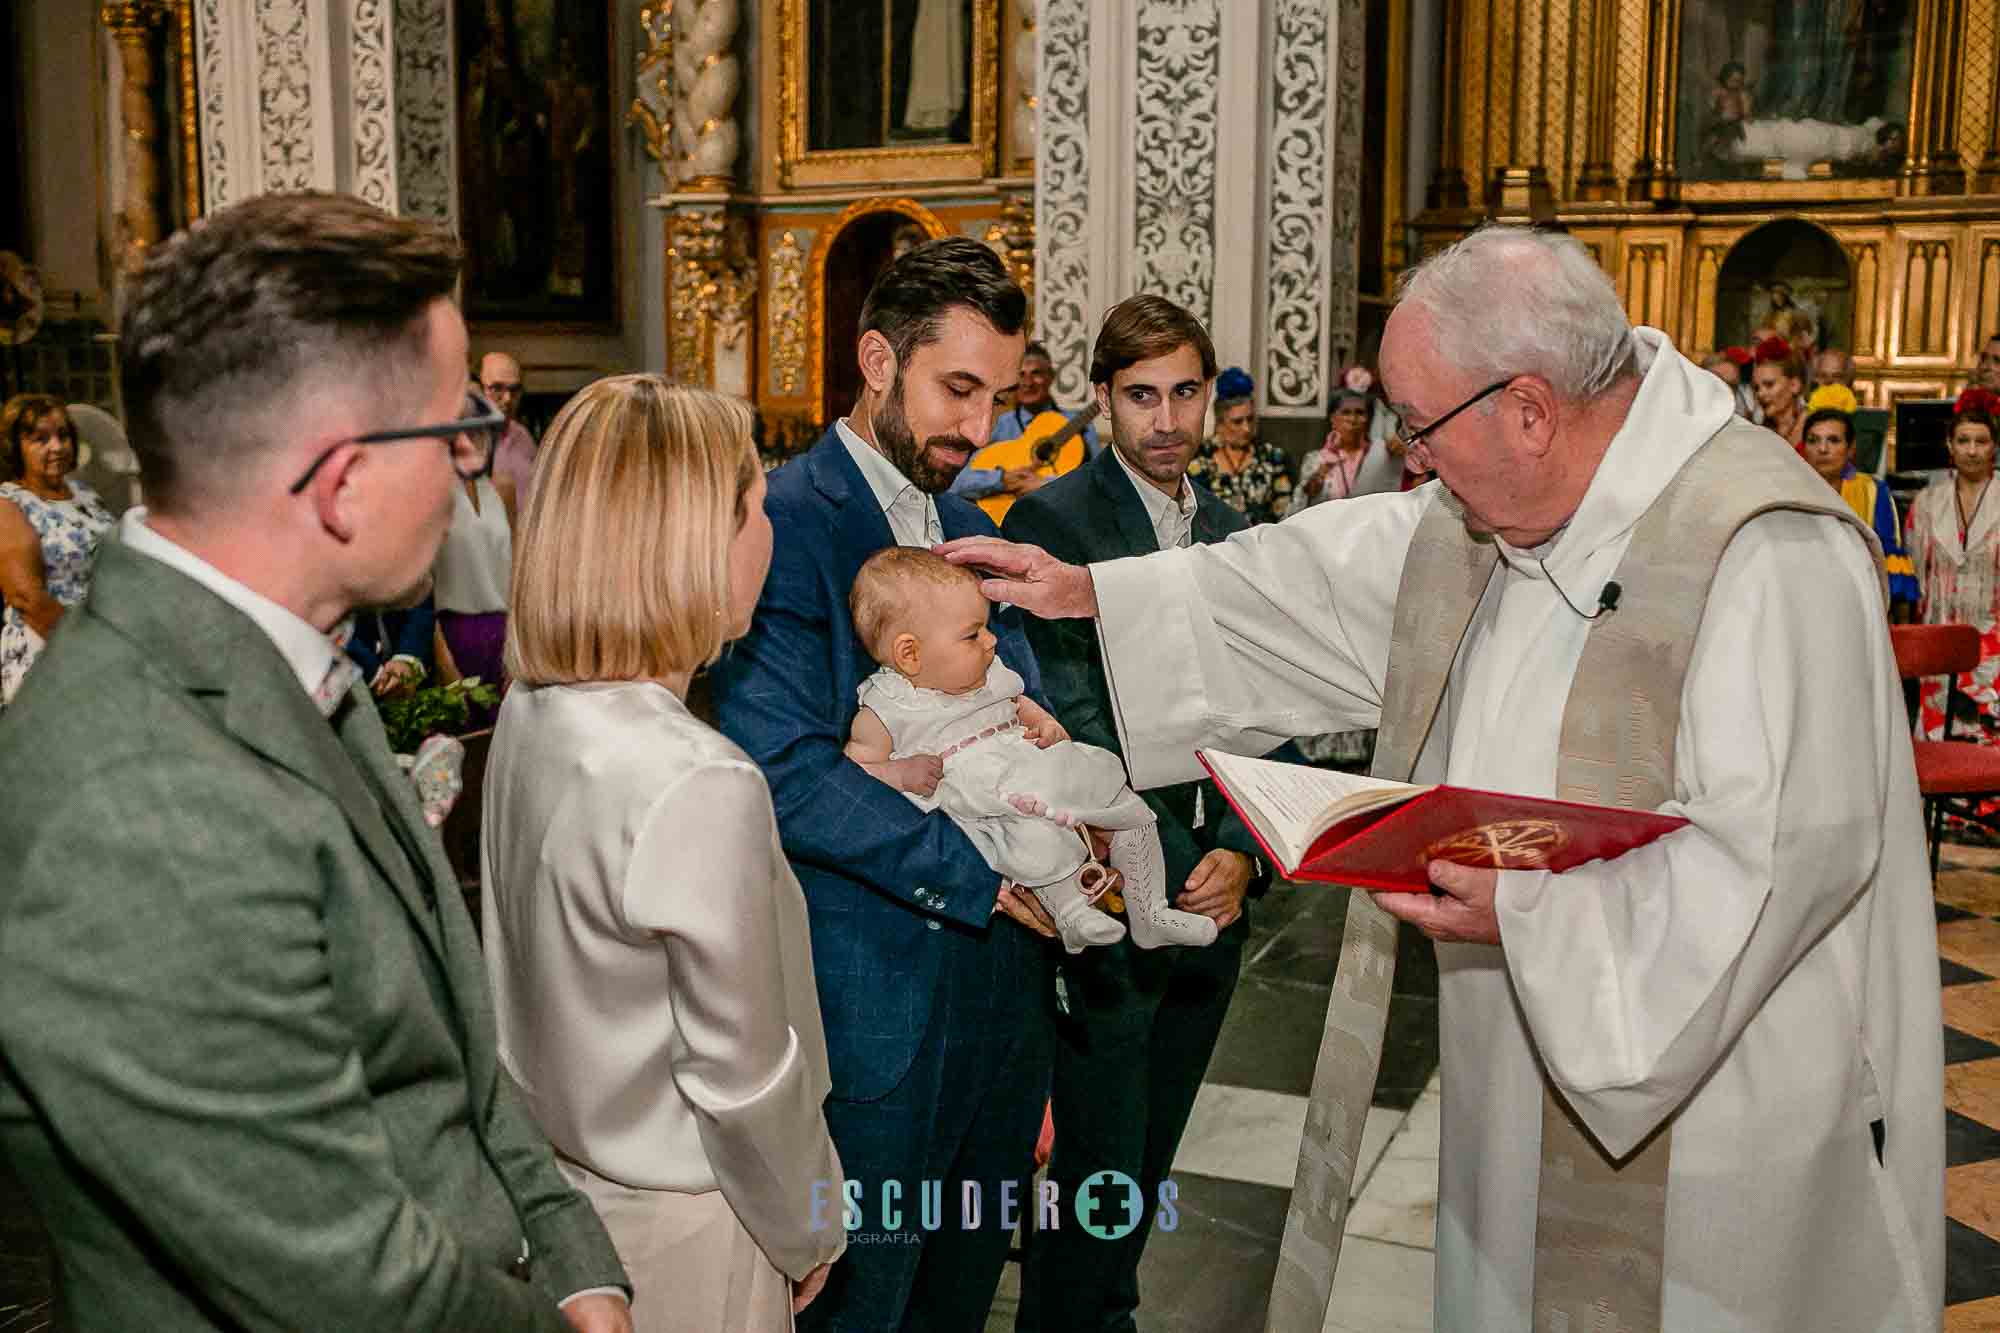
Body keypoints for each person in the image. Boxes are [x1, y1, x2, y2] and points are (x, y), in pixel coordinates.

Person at [944, 225, 1943, 1331]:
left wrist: (1526, 913)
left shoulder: (1763, 554)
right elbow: (1314, 578)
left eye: (1420, 428)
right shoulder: (1505, 510)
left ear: (1526, 406)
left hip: (1715, 1121)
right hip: (1519, 1069)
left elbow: (1779, 865)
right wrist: (1096, 592)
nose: (1413, 459)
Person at [0, 193, 631, 1331]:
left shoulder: (286, 667)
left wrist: (574, 1252)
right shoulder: (135, 794)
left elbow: (453, 1056)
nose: (465, 466)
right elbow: (343, 1280)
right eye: (452, 431)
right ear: (342, 481)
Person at [708, 235, 1057, 1333]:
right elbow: (786, 769)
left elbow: (1025, 709)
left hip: (1005, 999)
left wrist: (1075, 842)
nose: (980, 429)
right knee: (866, 1306)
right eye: (958, 389)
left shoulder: (968, 529)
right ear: (873, 360)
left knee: (958, 1303)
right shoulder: (785, 521)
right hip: (876, 1002)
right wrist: (980, 872)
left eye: (997, 398)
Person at [482, 376, 845, 1332]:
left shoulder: (530, 707)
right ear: (690, 540)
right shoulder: (699, 778)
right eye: (756, 506)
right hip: (695, 1228)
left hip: (562, 1205)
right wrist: (812, 1224)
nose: (770, 533)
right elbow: (744, 1082)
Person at [997, 293, 1279, 1332]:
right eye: (1140, 396)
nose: (1165, 419)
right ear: (1103, 401)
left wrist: (1243, 850)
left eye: (1184, 393)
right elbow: (1068, 713)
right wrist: (1167, 850)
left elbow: (1266, 712)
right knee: (1095, 1162)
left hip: (1212, 902)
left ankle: (1108, 1308)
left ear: (1209, 397)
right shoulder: (1054, 523)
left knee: (1149, 1153)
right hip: (1115, 894)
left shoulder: (1237, 535)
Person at [843, 547, 1210, 954]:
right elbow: (854, 771)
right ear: (909, 653)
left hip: (1033, 764)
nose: (991, 640)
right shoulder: (887, 707)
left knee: (1124, 809)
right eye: (973, 633)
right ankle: (1072, 914)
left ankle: (1150, 909)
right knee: (1034, 844)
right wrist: (899, 773)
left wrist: (1044, 723)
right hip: (991, 797)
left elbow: (1018, 702)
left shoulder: (988, 671)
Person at [0, 394, 113, 708]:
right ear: (15, 448)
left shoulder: (84, 495)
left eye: (63, 435)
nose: (57, 447)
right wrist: (89, 648)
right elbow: (27, 598)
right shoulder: (7, 503)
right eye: (40, 439)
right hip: (51, 653)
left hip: (102, 646)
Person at [1907, 386, 2000, 750]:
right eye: (1963, 440)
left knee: (1988, 745)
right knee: (1940, 743)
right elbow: (1916, 574)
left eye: (1981, 441)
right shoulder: (1928, 503)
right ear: (1949, 445)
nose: (1972, 450)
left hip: (1994, 641)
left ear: (1993, 446)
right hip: (1940, 634)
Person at [432, 413, 516, 718]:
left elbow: (518, 574)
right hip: (455, 635)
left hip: (504, 636)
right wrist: (445, 664)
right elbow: (421, 592)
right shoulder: (431, 493)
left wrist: (518, 651)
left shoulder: (502, 489)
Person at [1800, 397, 1916, 615]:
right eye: (1813, 440)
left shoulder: (1872, 490)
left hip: (1862, 606)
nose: (1822, 449)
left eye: (1833, 440)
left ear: (1851, 448)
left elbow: (1888, 556)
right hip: (1804, 601)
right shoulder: (1791, 492)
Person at [953, 341, 1103, 505]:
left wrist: (1047, 485)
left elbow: (1097, 484)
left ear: (1051, 376)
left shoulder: (1078, 424)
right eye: (1021, 374)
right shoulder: (998, 425)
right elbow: (956, 482)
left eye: (1036, 373)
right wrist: (1002, 480)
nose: (1028, 382)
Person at [1188, 367, 1293, 523]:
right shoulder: (1198, 459)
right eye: (1237, 422)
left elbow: (1284, 512)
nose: (1246, 428)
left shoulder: (1272, 458)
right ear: (1220, 423)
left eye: (1250, 419)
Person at [1289, 386, 1404, 512]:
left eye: (1360, 413)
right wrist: (1314, 484)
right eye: (1346, 412)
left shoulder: (1382, 453)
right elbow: (1299, 507)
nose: (1353, 419)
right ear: (1333, 419)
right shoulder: (1316, 460)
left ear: (1368, 419)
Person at [482, 350, 541, 508]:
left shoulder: (523, 436)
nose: (508, 399)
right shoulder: (464, 442)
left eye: (514, 390)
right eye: (497, 388)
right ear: (478, 391)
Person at [1750, 335, 1808, 445]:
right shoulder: (1758, 433)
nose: (1760, 394)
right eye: (1756, 388)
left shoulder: (1814, 429)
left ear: (1794, 385)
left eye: (1769, 385)